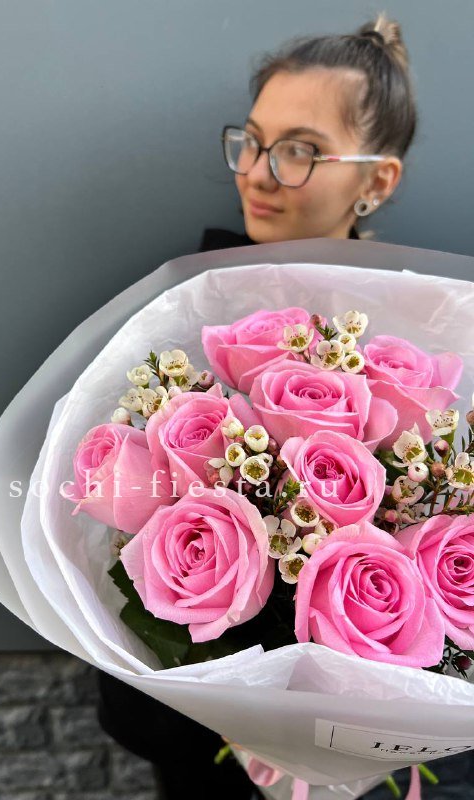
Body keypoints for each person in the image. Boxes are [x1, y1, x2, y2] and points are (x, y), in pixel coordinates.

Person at [97, 12, 418, 800]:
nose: (258, 173)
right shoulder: (179, 315)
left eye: (299, 150)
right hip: (198, 730)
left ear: (377, 181)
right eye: (252, 141)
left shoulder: (418, 333)